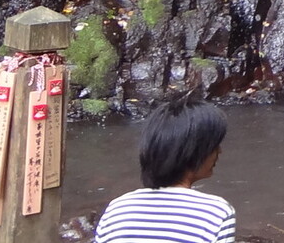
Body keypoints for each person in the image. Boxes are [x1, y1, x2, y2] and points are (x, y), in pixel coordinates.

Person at [94, 95, 235, 243]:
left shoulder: (116, 209)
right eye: (214, 146)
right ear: (194, 150)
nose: (219, 152)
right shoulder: (217, 213)